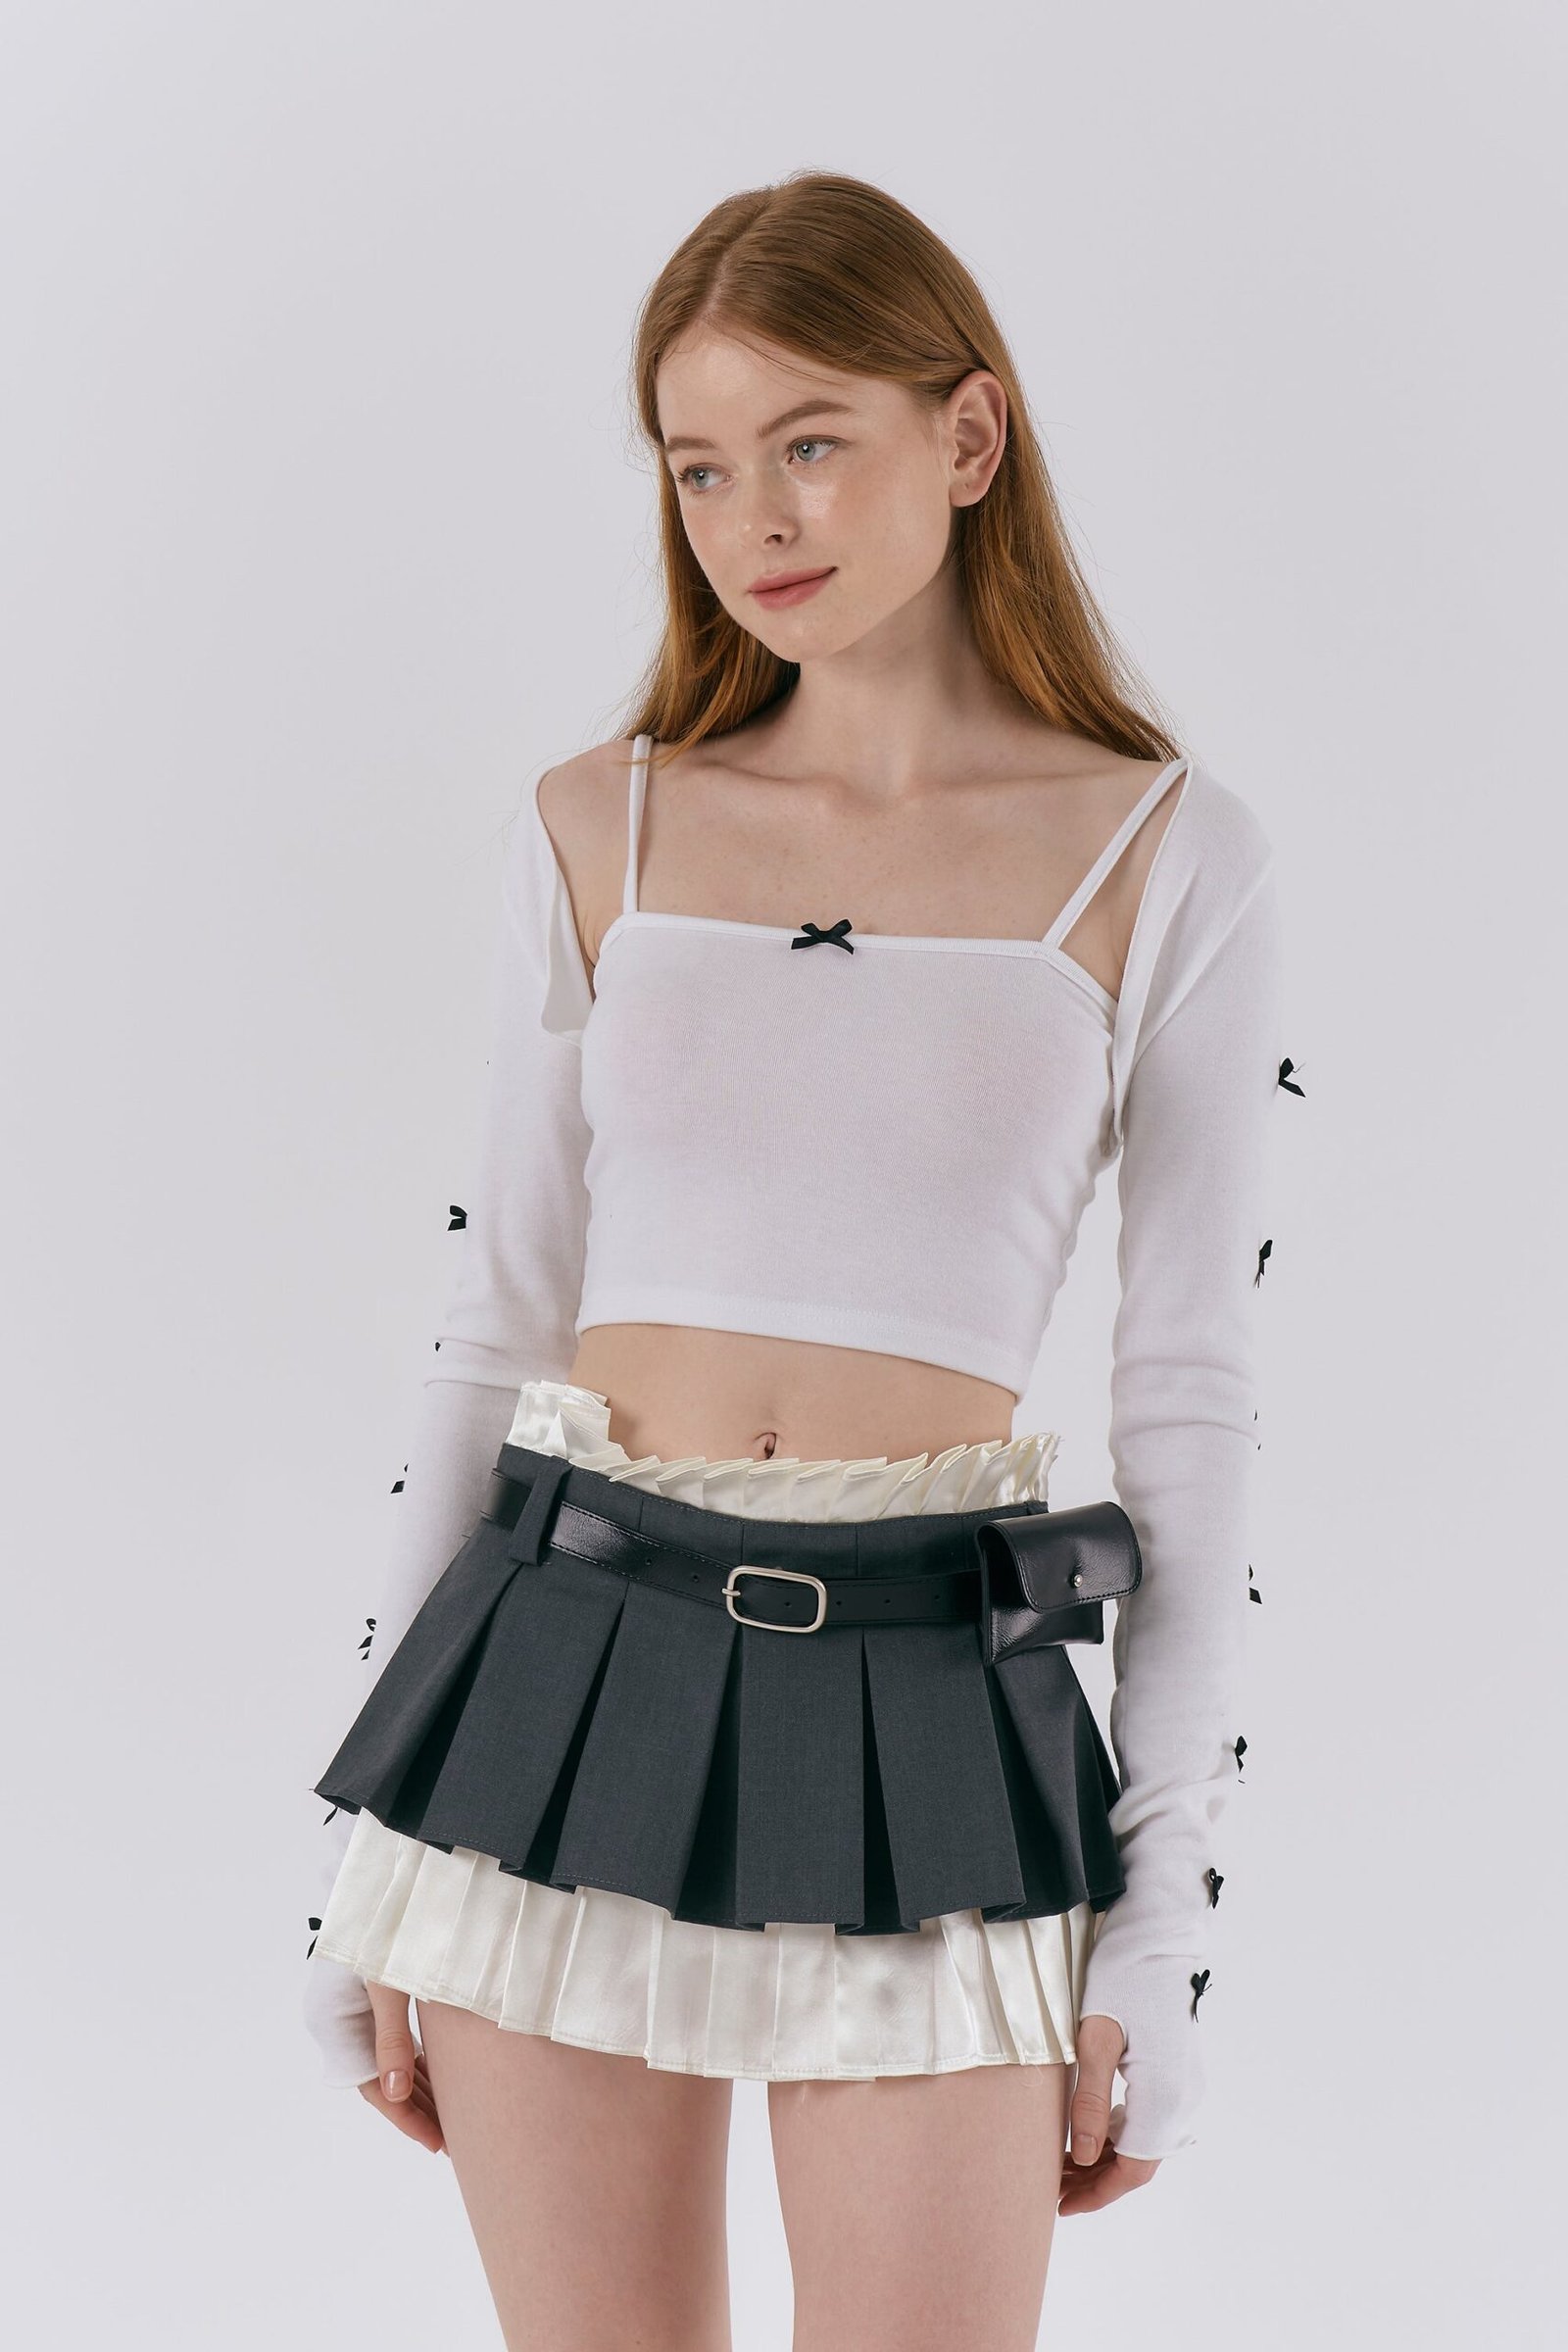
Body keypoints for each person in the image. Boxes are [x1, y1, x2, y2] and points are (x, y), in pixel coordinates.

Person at [301, 169, 1287, 2350]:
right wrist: (371, 1844)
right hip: (557, 1692)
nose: (755, 515)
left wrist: (1161, 1919)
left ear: (968, 433)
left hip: (936, 1705)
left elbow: (1188, 1401)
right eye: (699, 465)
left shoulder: (1162, 853)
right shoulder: (602, 820)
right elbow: (492, 1323)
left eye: (812, 439)